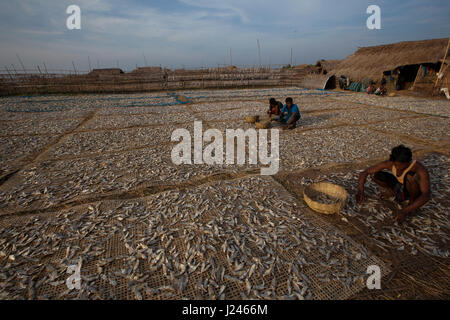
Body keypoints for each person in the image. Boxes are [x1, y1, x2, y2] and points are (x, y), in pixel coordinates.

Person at [356, 145, 431, 223]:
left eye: (401, 165)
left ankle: (411, 203)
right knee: (374, 174)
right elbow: (365, 172)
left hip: (411, 192)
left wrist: (404, 211)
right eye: (396, 165)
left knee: (410, 177)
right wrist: (360, 191)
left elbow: (426, 195)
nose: (397, 168)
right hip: (400, 187)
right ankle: (392, 192)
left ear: (408, 162)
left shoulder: (419, 169)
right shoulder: (390, 163)